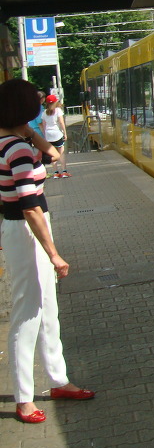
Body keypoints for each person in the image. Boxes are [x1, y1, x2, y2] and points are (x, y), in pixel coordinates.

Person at [0, 79, 95, 424]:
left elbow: (53, 155)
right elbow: (29, 206)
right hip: (27, 230)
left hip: (26, 229)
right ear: (25, 108)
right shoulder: (17, 150)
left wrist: (27, 130)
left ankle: (58, 380)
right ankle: (24, 398)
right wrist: (54, 254)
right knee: (28, 313)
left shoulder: (11, 141)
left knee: (48, 308)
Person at [41, 94, 69, 178]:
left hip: (48, 135)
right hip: (57, 134)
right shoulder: (58, 110)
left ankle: (56, 173)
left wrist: (45, 136)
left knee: (53, 154)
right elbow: (61, 122)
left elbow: (44, 125)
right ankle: (64, 171)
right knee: (61, 153)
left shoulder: (44, 112)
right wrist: (65, 133)